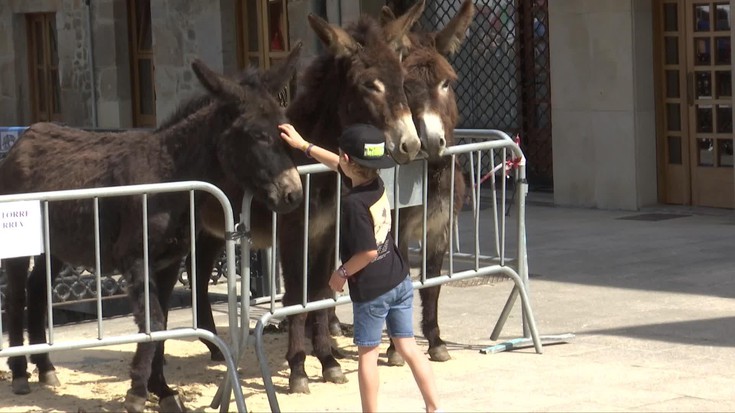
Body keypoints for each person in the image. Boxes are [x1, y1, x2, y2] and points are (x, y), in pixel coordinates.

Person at [278, 123, 442, 413]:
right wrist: (304, 145)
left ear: (348, 161)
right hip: (399, 280)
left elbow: (366, 252)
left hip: (373, 291)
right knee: (409, 347)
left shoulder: (353, 205)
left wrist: (341, 273)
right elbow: (336, 163)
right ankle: (433, 406)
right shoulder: (376, 182)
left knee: (368, 354)